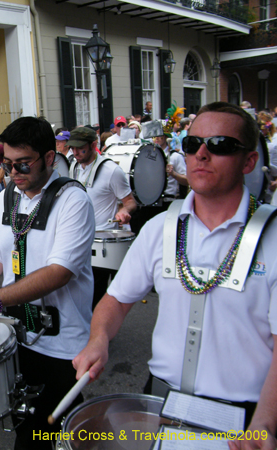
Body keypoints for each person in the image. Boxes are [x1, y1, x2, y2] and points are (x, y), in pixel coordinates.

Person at [73, 102, 277, 450]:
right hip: (163, 405)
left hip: (246, 421)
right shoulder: (159, 229)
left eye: (220, 145)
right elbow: (116, 300)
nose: (201, 155)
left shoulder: (273, 237)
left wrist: (266, 424)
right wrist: (99, 338)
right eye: (192, 144)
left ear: (249, 161)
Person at [0, 116, 96, 450]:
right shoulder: (7, 198)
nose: (14, 173)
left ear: (50, 157)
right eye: (7, 164)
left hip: (62, 343)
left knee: (45, 436)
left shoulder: (73, 201)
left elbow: (60, 272)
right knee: (26, 418)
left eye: (23, 164)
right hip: (20, 335)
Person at [68, 127, 137, 309]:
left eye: (79, 148)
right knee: (80, 290)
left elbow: (130, 201)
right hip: (81, 238)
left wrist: (124, 211)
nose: (75, 152)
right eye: (72, 148)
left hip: (102, 240)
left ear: (93, 145)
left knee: (97, 293)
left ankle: (99, 332)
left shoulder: (111, 170)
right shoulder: (74, 166)